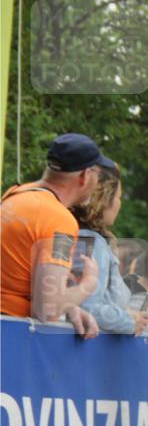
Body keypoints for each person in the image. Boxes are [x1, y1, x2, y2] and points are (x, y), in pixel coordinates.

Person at [1, 133, 110, 337]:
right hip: (10, 334)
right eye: (99, 175)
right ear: (85, 176)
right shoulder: (59, 221)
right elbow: (47, 310)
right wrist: (88, 284)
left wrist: (69, 306)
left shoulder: (16, 194)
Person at [70, 161, 148, 335]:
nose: (119, 204)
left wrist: (124, 314)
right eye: (118, 197)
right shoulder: (90, 241)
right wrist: (130, 322)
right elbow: (88, 307)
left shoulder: (79, 235)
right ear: (105, 200)